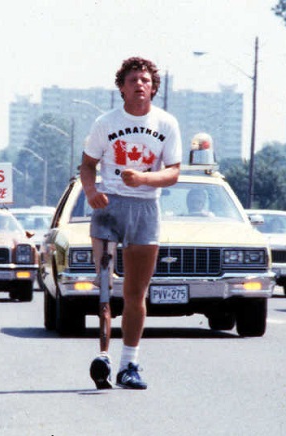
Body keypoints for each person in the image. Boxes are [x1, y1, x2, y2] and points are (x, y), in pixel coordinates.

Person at [80, 57, 181, 390]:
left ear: (154, 87)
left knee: (136, 293)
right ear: (121, 86)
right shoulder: (105, 123)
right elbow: (88, 165)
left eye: (146, 80)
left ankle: (130, 365)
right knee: (106, 288)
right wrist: (91, 191)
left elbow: (174, 172)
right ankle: (104, 358)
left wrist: (145, 178)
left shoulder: (166, 123)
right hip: (109, 206)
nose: (140, 84)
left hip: (145, 208)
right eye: (133, 79)